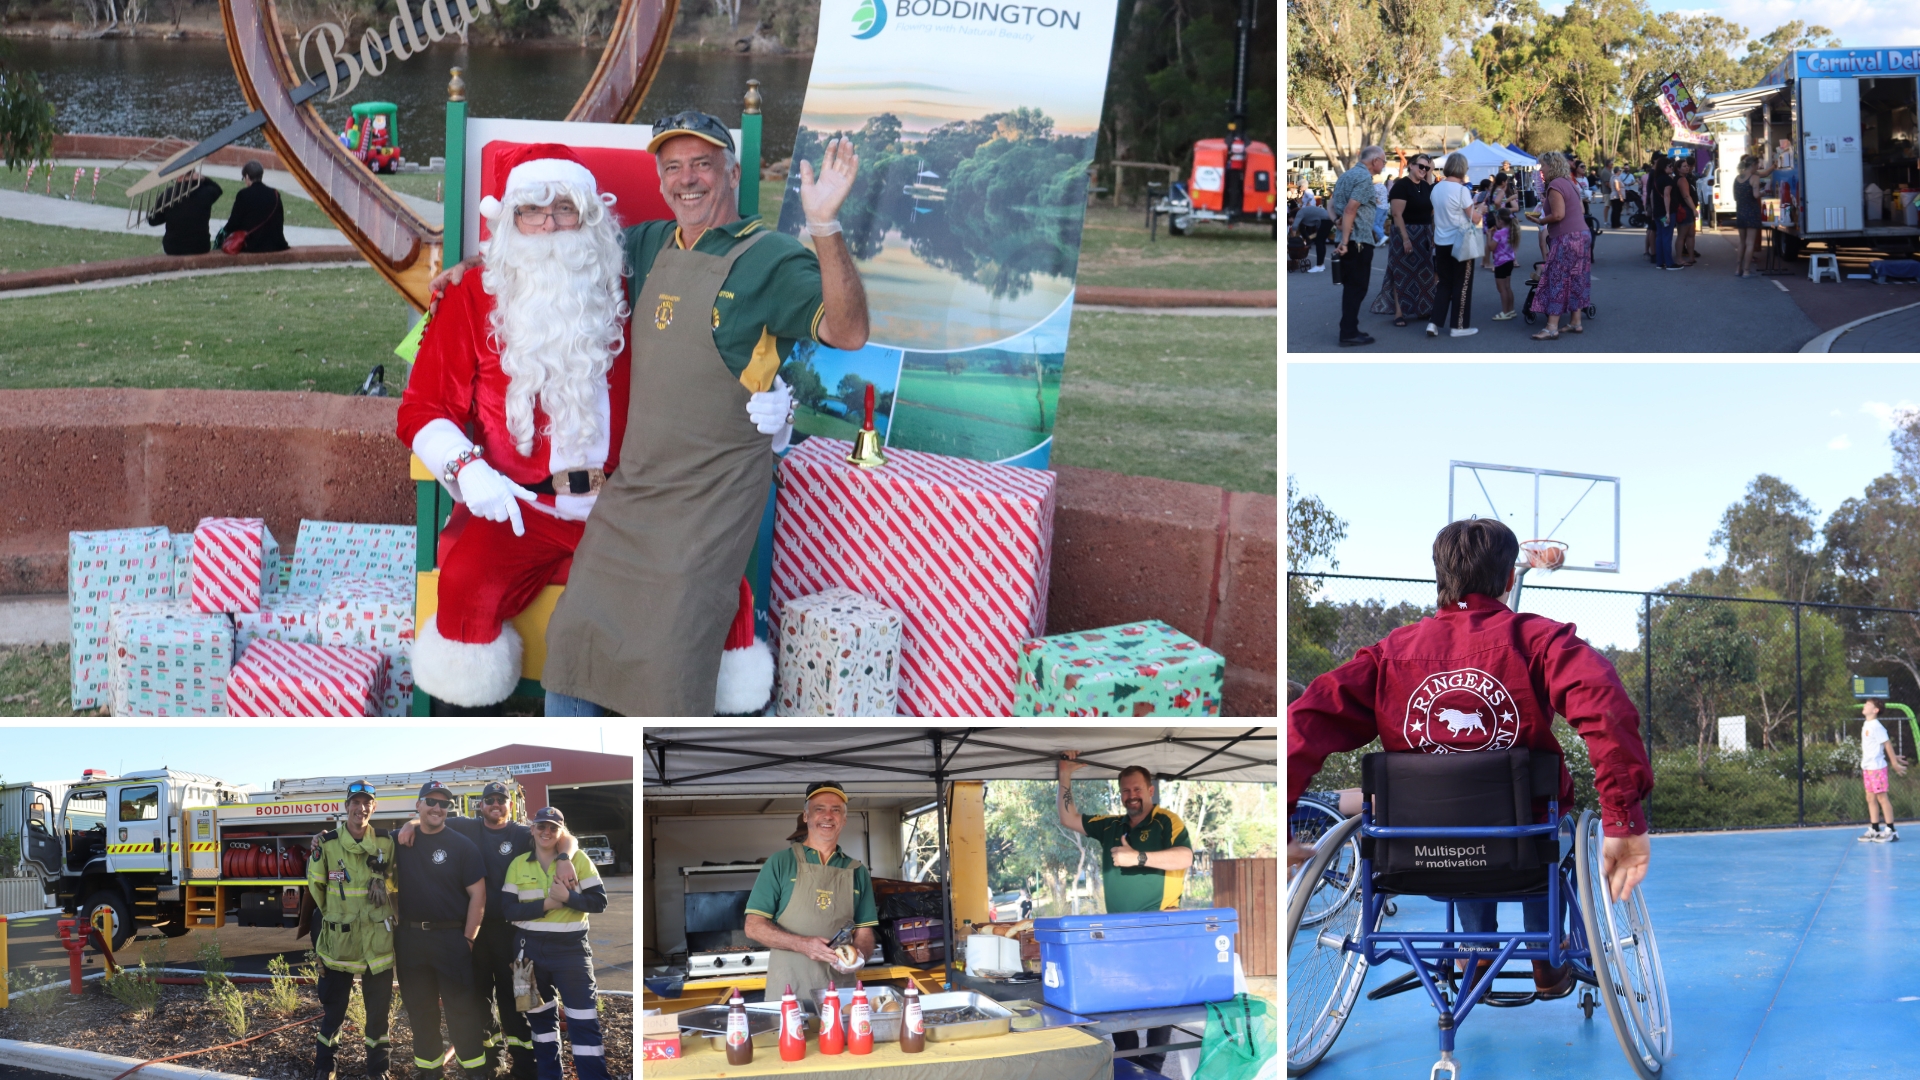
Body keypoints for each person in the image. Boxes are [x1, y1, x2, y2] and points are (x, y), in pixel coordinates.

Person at [405, 142, 769, 713]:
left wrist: (767, 393)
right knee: (464, 585)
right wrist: (466, 469)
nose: (550, 225)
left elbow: (709, 342)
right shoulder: (472, 295)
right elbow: (423, 407)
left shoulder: (638, 285)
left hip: (629, 504)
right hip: (522, 504)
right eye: (532, 211)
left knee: (719, 590)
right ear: (510, 222)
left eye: (564, 209)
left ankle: (691, 719)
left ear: (590, 216)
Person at [1288, 518, 1656, 998]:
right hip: (1524, 848)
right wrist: (1622, 816)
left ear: (1441, 578)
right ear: (1509, 578)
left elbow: (1303, 721)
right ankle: (1544, 954)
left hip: (1415, 854)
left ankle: (1476, 947)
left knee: (1456, 822)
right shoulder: (1541, 641)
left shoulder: (1388, 655)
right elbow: (1606, 707)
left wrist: (1282, 820)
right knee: (1546, 827)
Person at [396, 782, 576, 1080]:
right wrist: (410, 824)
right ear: (480, 805)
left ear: (510, 805)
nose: (495, 804)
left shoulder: (523, 833)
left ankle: (527, 1065)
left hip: (518, 935)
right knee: (479, 1001)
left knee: (522, 999)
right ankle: (493, 1060)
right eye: (489, 799)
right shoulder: (466, 827)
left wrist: (565, 858)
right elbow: (432, 818)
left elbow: (565, 836)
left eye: (501, 800)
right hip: (477, 934)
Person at [1056, 752, 1194, 1072]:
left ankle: (1153, 1065)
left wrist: (1138, 858)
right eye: (1126, 791)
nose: (1132, 796)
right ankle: (1130, 1063)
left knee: (1162, 999)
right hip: (1119, 931)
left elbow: (1185, 857)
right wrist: (1065, 774)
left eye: (1137, 789)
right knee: (1121, 996)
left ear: (1150, 791)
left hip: (1160, 926)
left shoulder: (1166, 821)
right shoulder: (1111, 825)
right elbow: (1069, 818)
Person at [743, 781, 879, 1002]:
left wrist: (859, 957)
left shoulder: (857, 871)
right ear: (806, 816)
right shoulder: (780, 863)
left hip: (840, 992)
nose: (828, 816)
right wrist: (803, 944)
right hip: (789, 992)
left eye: (836, 810)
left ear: (844, 819)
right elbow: (753, 927)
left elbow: (864, 933)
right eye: (819, 809)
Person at [502, 807, 610, 1080]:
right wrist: (550, 903)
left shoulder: (579, 860)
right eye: (541, 826)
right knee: (539, 1024)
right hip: (525, 954)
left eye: (553, 827)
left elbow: (599, 902)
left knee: (583, 1021)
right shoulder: (517, 864)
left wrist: (570, 898)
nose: (546, 832)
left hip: (570, 951)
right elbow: (508, 910)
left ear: (562, 832)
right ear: (532, 829)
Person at [392, 781, 489, 1080]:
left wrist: (468, 939)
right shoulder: (398, 840)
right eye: (431, 801)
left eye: (443, 803)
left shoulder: (462, 845)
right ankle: (429, 1072)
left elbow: (478, 896)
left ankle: (474, 1072)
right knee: (420, 1011)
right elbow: (361, 839)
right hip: (410, 940)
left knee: (462, 1011)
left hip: (451, 939)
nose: (437, 808)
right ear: (418, 805)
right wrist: (320, 838)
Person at [308, 781, 399, 1080]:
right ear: (346, 806)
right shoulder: (327, 845)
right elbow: (317, 888)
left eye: (367, 803)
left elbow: (396, 882)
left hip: (377, 946)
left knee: (378, 1015)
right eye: (356, 803)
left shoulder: (386, 843)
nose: (361, 808)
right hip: (340, 944)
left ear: (374, 807)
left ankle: (378, 1069)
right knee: (334, 1012)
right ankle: (325, 1066)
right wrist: (336, 918)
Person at [1527, 151, 1591, 341]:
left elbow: (1558, 215)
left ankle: (1551, 327)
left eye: (1543, 166)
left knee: (1557, 279)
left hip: (1567, 237)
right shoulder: (1569, 183)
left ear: (1551, 166)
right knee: (1576, 278)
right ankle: (1575, 322)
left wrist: (1540, 221)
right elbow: (1580, 209)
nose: (1541, 170)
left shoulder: (1555, 185)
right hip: (1582, 234)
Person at [1330, 145, 1387, 347]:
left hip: (1348, 239)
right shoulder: (1363, 178)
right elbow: (1350, 209)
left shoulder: (1345, 176)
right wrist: (1345, 241)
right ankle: (1348, 332)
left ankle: (1350, 328)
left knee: (1351, 288)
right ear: (1375, 161)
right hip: (1358, 241)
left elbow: (1330, 204)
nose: (1384, 165)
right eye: (1384, 161)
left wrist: (1335, 221)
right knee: (1357, 288)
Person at [1372, 154, 1437, 327]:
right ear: (1411, 166)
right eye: (1421, 166)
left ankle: (1423, 308)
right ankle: (1399, 313)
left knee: (1425, 272)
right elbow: (1396, 214)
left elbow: (1431, 212)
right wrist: (1406, 239)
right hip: (1404, 233)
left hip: (1424, 233)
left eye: (1427, 168)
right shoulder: (1401, 186)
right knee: (1401, 272)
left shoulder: (1426, 186)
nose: (1424, 170)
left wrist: (1432, 233)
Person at [1428, 152, 1482, 339]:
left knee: (1444, 283)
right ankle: (1459, 326)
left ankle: (1434, 322)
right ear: (1463, 168)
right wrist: (1481, 210)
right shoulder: (1462, 191)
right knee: (1462, 284)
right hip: (1461, 242)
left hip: (1441, 242)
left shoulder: (1436, 189)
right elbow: (1474, 218)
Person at [1859, 698, 1909, 842]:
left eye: (1868, 704)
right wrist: (1894, 756)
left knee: (1882, 798)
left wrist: (1894, 763)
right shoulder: (1867, 724)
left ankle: (1891, 830)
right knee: (1870, 798)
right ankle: (1875, 829)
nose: (1865, 705)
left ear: (1875, 710)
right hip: (1867, 767)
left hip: (1877, 768)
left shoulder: (1876, 726)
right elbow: (1878, 747)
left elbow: (1887, 744)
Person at [218, 160, 288, 253]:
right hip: (274, 243)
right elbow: (279, 219)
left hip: (252, 244)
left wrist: (223, 233)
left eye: (244, 178)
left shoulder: (243, 194)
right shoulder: (274, 193)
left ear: (247, 176)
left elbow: (234, 222)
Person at [146, 169, 222, 256]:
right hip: (201, 247)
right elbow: (217, 189)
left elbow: (153, 220)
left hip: (173, 248)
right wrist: (203, 178)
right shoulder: (206, 192)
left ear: (180, 177)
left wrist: (170, 215)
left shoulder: (169, 194)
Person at [1734, 154, 1776, 278]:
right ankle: (1746, 270)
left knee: (1742, 242)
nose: (1758, 168)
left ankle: (1738, 269)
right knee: (1750, 243)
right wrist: (1764, 192)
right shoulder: (1754, 178)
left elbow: (1735, 197)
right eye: (1757, 165)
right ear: (1753, 165)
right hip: (1752, 213)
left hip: (1740, 212)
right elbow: (1756, 195)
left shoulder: (1737, 178)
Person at [1485, 207, 1519, 320]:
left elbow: (1491, 247)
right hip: (1509, 261)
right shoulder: (1511, 230)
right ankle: (1511, 309)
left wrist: (1489, 236)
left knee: (1502, 289)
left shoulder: (1498, 233)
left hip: (1500, 263)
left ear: (1500, 221)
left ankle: (1505, 311)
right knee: (1508, 287)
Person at [1649, 155, 1681, 270]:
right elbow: (1667, 195)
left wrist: (1653, 211)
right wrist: (1668, 213)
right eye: (1670, 166)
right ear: (1664, 167)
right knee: (1667, 236)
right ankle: (1669, 263)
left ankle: (1660, 262)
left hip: (1658, 212)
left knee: (1660, 236)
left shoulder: (1656, 179)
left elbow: (1652, 195)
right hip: (1666, 212)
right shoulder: (1667, 180)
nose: (1672, 167)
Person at [1290, 200, 1334, 272]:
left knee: (1319, 242)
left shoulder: (1300, 213)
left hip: (1325, 219)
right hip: (1327, 219)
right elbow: (1303, 230)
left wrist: (1293, 239)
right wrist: (1308, 239)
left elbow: (1294, 227)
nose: (1290, 222)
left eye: (1290, 219)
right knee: (1321, 242)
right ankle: (1321, 265)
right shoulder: (1303, 213)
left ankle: (1319, 265)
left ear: (1292, 215)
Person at [1674, 158, 1699, 265]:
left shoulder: (1686, 178)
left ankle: (1691, 257)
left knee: (1690, 234)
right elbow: (1686, 196)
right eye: (1684, 166)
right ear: (1678, 169)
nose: (1687, 168)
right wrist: (1694, 209)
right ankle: (1679, 259)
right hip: (1684, 210)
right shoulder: (1681, 180)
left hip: (1687, 209)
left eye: (1687, 166)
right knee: (1682, 235)